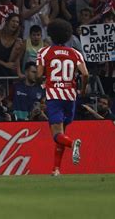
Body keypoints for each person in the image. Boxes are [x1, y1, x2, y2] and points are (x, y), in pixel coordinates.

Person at [36, 19, 89, 177]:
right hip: (70, 96)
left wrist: (43, 79)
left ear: (50, 35)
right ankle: (56, 169)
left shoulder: (44, 52)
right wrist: (83, 90)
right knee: (62, 132)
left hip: (54, 96)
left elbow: (38, 75)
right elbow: (85, 74)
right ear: (67, 36)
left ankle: (73, 144)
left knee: (56, 134)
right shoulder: (75, 53)